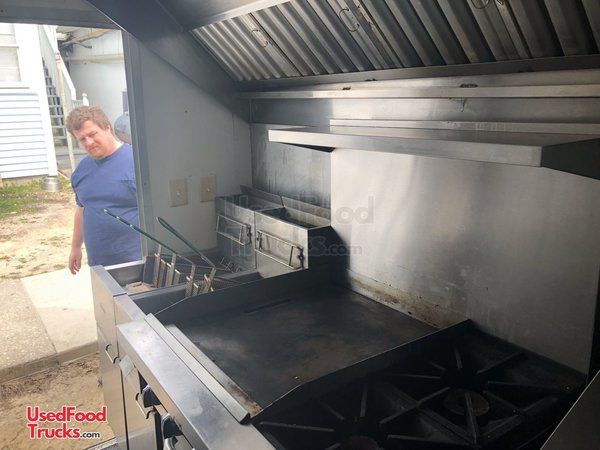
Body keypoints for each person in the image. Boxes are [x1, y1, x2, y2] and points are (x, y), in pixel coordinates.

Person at [66, 106, 142, 274]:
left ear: (107, 127)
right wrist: (75, 248)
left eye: (92, 134)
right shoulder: (81, 171)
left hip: (137, 262)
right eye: (82, 139)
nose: (89, 142)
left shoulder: (137, 162)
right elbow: (81, 210)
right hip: (99, 263)